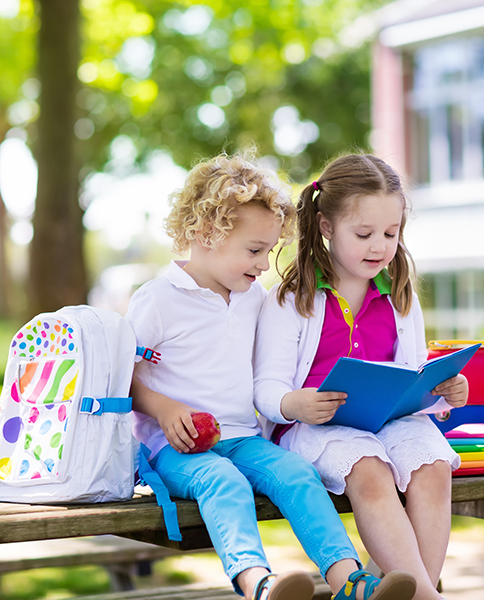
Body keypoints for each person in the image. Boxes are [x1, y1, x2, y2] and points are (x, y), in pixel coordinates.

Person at [125, 153, 417, 600]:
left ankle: (350, 581)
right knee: (224, 482)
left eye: (269, 251)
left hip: (243, 437)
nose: (264, 264)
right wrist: (164, 409)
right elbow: (121, 374)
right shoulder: (159, 299)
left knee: (297, 473)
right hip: (176, 446)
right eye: (254, 250)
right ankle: (258, 583)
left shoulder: (253, 297)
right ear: (205, 235)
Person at [254, 154, 469, 600]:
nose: (380, 246)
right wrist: (294, 403)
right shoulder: (290, 300)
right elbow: (266, 389)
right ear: (327, 227)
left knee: (432, 467)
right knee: (370, 471)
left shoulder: (401, 298)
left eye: (391, 234)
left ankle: (419, 593)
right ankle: (429, 597)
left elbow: (416, 376)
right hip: (314, 427)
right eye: (364, 234)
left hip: (391, 422)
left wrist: (445, 392)